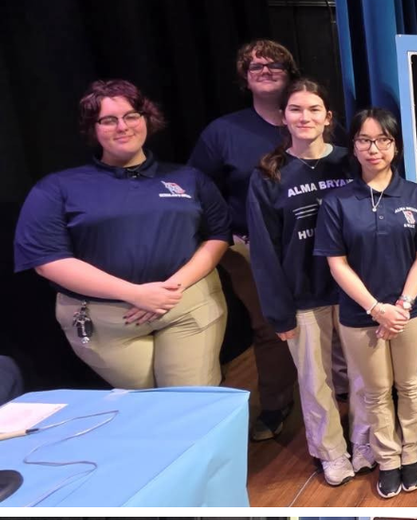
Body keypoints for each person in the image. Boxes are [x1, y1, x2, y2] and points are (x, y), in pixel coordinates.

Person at [14, 79, 230, 389]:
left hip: (184, 304)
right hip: (104, 321)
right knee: (147, 407)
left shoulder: (188, 178)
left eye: (131, 115)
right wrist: (135, 293)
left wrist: (169, 288)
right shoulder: (57, 188)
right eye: (108, 120)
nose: (122, 126)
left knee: (189, 402)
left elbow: (218, 234)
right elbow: (47, 259)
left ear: (146, 119)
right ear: (93, 128)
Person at [315, 108, 417, 499]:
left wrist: (401, 305)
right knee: (374, 391)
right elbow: (336, 263)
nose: (374, 148)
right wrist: (376, 309)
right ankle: (387, 459)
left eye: (383, 140)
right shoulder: (338, 201)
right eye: (365, 140)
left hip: (413, 311)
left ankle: (411, 454)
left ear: (396, 146)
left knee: (409, 384)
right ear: (353, 146)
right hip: (360, 315)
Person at [248, 79, 371, 487]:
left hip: (353, 290)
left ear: (328, 117)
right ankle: (332, 453)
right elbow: (265, 251)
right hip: (304, 294)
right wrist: (277, 311)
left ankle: (366, 443)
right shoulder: (269, 173)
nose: (306, 117)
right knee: (315, 382)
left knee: (362, 374)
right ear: (283, 117)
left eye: (314, 109)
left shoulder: (349, 162)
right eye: (296, 109)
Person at [190, 39, 301, 442]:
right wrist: (228, 233)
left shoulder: (313, 119)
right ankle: (275, 403)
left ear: (290, 73)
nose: (266, 70)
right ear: (245, 79)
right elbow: (198, 189)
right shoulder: (223, 132)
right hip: (250, 248)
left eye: (275, 64)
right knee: (271, 327)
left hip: (316, 246)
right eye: (256, 67)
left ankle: (338, 396)